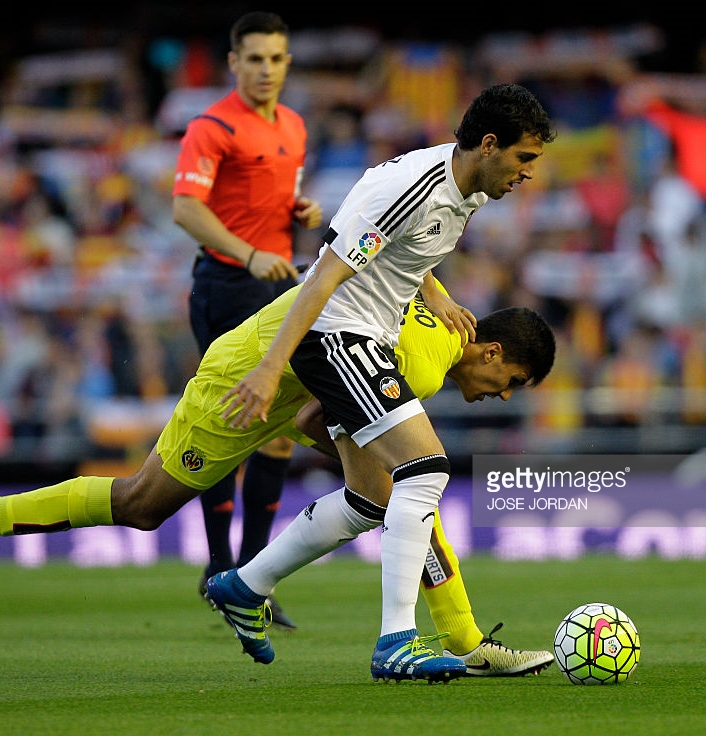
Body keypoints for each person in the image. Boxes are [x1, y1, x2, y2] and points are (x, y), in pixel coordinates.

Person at [0, 281, 558, 680]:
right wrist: (353, 453)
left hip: (281, 383)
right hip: (242, 381)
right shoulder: (421, 368)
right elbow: (314, 413)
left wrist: (432, 286)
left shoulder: (434, 330)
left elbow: (387, 259)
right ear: (493, 353)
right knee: (142, 503)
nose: (504, 398)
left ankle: (259, 589)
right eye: (512, 384)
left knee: (395, 492)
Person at [211, 82, 555, 682]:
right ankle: (397, 640)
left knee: (371, 500)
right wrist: (270, 369)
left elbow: (408, 252)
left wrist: (436, 292)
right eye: (525, 158)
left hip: (368, 335)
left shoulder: (466, 191)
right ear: (490, 144)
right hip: (341, 333)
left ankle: (245, 585)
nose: (528, 174)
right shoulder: (411, 188)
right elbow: (321, 278)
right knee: (426, 469)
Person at [171, 11, 323, 629]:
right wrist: (252, 252)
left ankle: (251, 575)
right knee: (233, 426)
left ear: (287, 64)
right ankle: (218, 565)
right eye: (255, 58)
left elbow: (266, 199)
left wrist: (297, 210)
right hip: (227, 284)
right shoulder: (210, 128)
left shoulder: (293, 125)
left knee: (280, 428)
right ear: (233, 63)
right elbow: (186, 209)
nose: (266, 69)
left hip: (277, 284)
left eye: (276, 59)